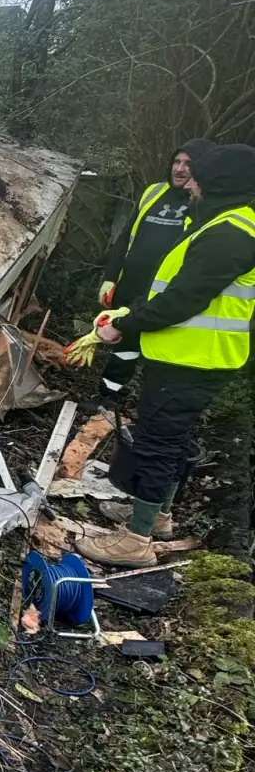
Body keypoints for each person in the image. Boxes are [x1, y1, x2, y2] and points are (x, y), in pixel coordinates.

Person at [78, 143, 255, 569]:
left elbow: (181, 300)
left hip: (191, 359)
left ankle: (136, 540)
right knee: (172, 439)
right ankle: (157, 514)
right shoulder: (226, 224)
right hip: (193, 355)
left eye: (198, 176)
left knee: (158, 442)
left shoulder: (230, 234)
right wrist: (130, 311)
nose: (188, 182)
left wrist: (126, 325)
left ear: (219, 184)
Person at [95, 139, 213, 403]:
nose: (180, 169)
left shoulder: (202, 203)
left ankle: (150, 402)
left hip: (162, 291)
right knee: (123, 342)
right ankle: (108, 395)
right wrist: (110, 277)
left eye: (188, 164)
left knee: (145, 344)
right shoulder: (153, 192)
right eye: (176, 162)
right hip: (129, 284)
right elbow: (126, 236)